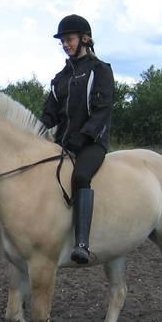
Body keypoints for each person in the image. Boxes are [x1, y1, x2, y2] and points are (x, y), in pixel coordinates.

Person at [40, 14, 115, 265]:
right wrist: (34, 131)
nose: (65, 44)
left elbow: (102, 111)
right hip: (62, 142)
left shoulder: (100, 71)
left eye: (69, 39)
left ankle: (82, 243)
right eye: (62, 41)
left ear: (84, 39)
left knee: (81, 176)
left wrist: (81, 139)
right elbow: (49, 113)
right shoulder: (60, 78)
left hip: (92, 143)